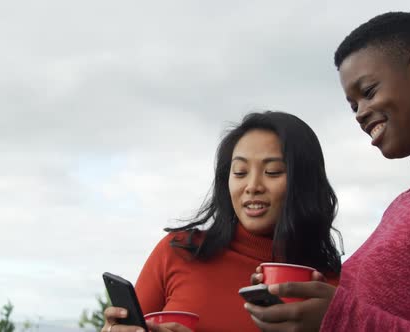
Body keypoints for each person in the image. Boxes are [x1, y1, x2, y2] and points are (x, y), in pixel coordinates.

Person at [245, 11, 410, 331]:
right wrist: (305, 299)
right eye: (353, 105)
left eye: (368, 91)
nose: (360, 113)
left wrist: (340, 318)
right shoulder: (399, 208)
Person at [102, 111, 342, 332]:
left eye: (273, 172)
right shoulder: (178, 251)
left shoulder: (328, 290)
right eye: (239, 172)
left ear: (306, 182)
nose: (252, 186)